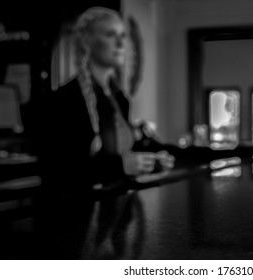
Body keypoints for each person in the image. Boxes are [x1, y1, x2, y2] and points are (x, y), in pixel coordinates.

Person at [37, 7, 174, 196]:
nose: (120, 44)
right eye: (110, 35)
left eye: (123, 36)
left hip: (119, 212)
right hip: (80, 214)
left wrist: (150, 161)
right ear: (87, 41)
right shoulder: (64, 100)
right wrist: (121, 166)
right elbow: (57, 171)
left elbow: (123, 153)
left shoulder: (119, 98)